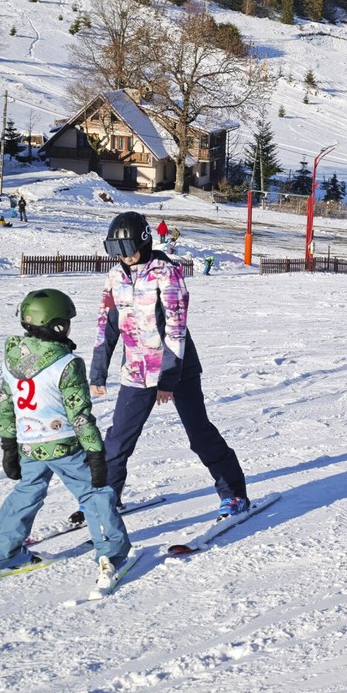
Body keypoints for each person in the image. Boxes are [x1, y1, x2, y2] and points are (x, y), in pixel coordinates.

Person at [87, 211, 248, 520]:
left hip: (178, 369)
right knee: (118, 440)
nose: (123, 257)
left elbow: (175, 327)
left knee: (199, 434)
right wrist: (98, 370)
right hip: (136, 369)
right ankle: (106, 497)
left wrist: (168, 380)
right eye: (115, 251)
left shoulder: (166, 272)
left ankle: (234, 494)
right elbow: (106, 326)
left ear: (144, 242)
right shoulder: (115, 276)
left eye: (127, 248)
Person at [0, 289, 131, 588]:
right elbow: (79, 414)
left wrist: (8, 445)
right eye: (66, 321)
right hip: (63, 442)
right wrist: (95, 454)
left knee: (27, 492)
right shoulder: (67, 363)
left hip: (29, 443)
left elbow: (5, 403)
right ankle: (112, 556)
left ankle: (2, 554)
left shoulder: (11, 359)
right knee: (94, 492)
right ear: (56, 325)